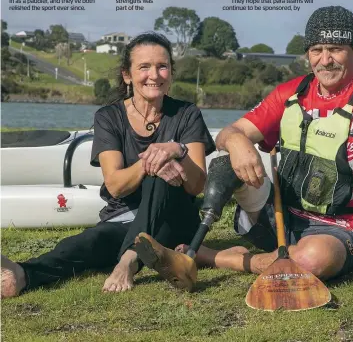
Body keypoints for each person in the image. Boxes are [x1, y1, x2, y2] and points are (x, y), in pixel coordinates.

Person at [176, 5, 353, 280]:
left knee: (310, 259)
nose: (325, 60)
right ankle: (256, 251)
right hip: (280, 220)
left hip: (345, 229)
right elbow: (229, 131)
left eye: (335, 48)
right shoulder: (292, 93)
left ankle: (220, 257)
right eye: (316, 50)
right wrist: (238, 142)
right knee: (226, 161)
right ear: (307, 54)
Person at [1, 32, 216, 298]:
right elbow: (115, 186)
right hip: (123, 218)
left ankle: (128, 260)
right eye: (144, 67)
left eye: (162, 66)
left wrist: (177, 151)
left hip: (175, 220)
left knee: (164, 172)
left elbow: (196, 186)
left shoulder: (187, 114)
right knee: (88, 243)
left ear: (171, 73)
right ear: (127, 75)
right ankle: (22, 274)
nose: (155, 75)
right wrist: (151, 160)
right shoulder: (109, 117)